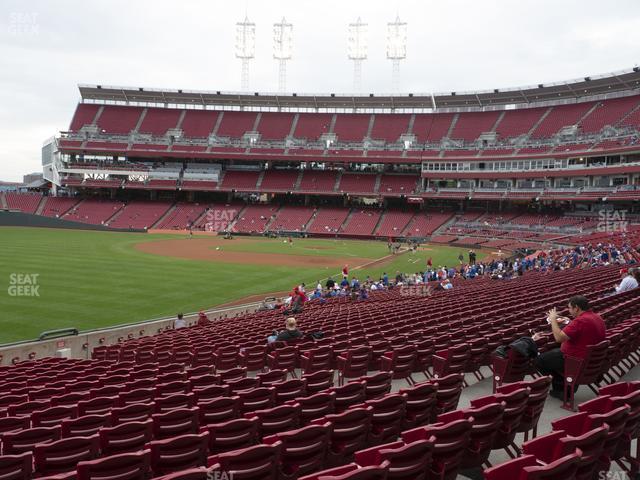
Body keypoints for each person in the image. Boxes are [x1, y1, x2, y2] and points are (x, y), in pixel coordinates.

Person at [533, 295, 606, 398]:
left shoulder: (581, 321)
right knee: (551, 356)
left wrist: (553, 319)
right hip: (588, 358)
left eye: (570, 308)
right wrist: (570, 322)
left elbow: (558, 338)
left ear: (577, 308)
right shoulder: (597, 317)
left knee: (539, 361)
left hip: (574, 359)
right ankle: (563, 387)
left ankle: (563, 386)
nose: (569, 310)